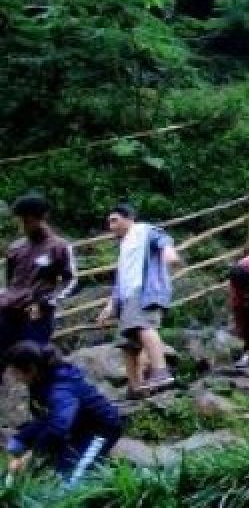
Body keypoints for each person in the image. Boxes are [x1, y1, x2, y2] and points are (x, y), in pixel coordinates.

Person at [4, 342, 122, 486]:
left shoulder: (61, 389)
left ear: (31, 369)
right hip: (76, 425)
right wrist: (18, 445)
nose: (14, 377)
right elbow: (47, 419)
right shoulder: (41, 379)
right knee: (17, 444)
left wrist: (31, 456)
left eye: (15, 372)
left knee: (68, 483)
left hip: (101, 429)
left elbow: (59, 426)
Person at [96, 203, 179, 398]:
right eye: (109, 222)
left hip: (143, 292)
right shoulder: (125, 244)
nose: (111, 225)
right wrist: (110, 305)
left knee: (143, 326)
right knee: (127, 343)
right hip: (127, 297)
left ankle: (160, 371)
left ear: (129, 218)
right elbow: (121, 278)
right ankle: (135, 386)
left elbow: (163, 239)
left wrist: (169, 253)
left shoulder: (143, 230)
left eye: (114, 220)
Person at [1, 194, 77, 378]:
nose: (22, 225)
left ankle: (42, 403)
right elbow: (11, 282)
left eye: (25, 220)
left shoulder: (59, 246)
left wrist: (46, 302)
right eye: (20, 220)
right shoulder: (16, 248)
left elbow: (71, 280)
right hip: (8, 311)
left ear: (39, 218)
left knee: (34, 359)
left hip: (37, 315)